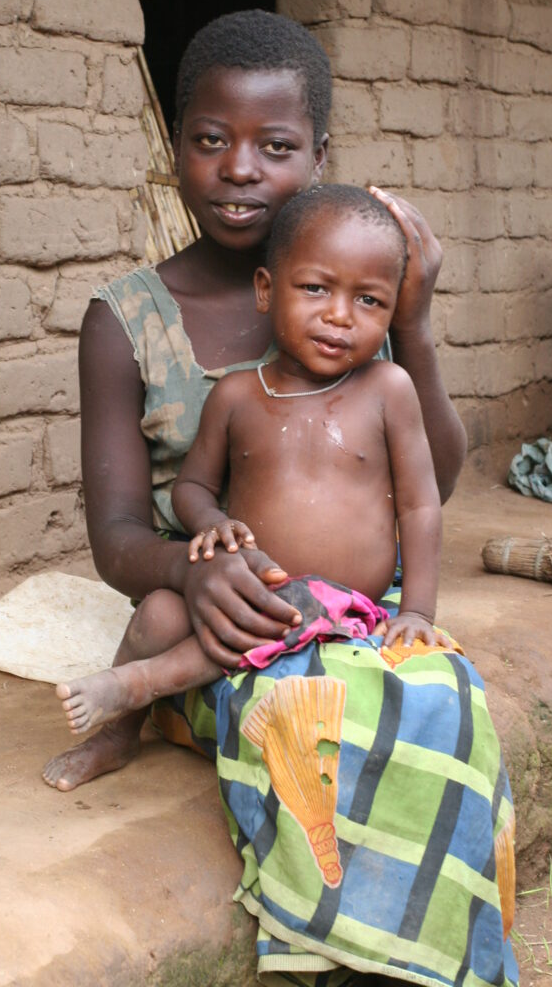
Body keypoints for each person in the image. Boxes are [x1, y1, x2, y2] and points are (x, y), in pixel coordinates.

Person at [42, 11, 517, 987]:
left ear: (319, 156)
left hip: (344, 612)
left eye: (275, 145)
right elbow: (119, 534)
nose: (240, 168)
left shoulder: (352, 295)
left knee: (435, 706)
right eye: (210, 141)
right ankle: (328, 953)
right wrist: (194, 566)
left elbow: (436, 483)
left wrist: (414, 331)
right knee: (301, 708)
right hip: (219, 611)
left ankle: (417, 953)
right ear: (171, 150)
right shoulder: (124, 322)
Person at [53, 184, 452, 739]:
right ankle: (116, 734)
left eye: (370, 301)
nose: (340, 316)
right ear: (266, 290)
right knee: (160, 615)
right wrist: (211, 524)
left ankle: (139, 684)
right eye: (315, 289)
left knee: (280, 618)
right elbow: (190, 487)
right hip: (246, 586)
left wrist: (418, 613)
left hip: (338, 602)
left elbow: (420, 504)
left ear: (394, 309)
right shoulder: (238, 396)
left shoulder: (389, 387)